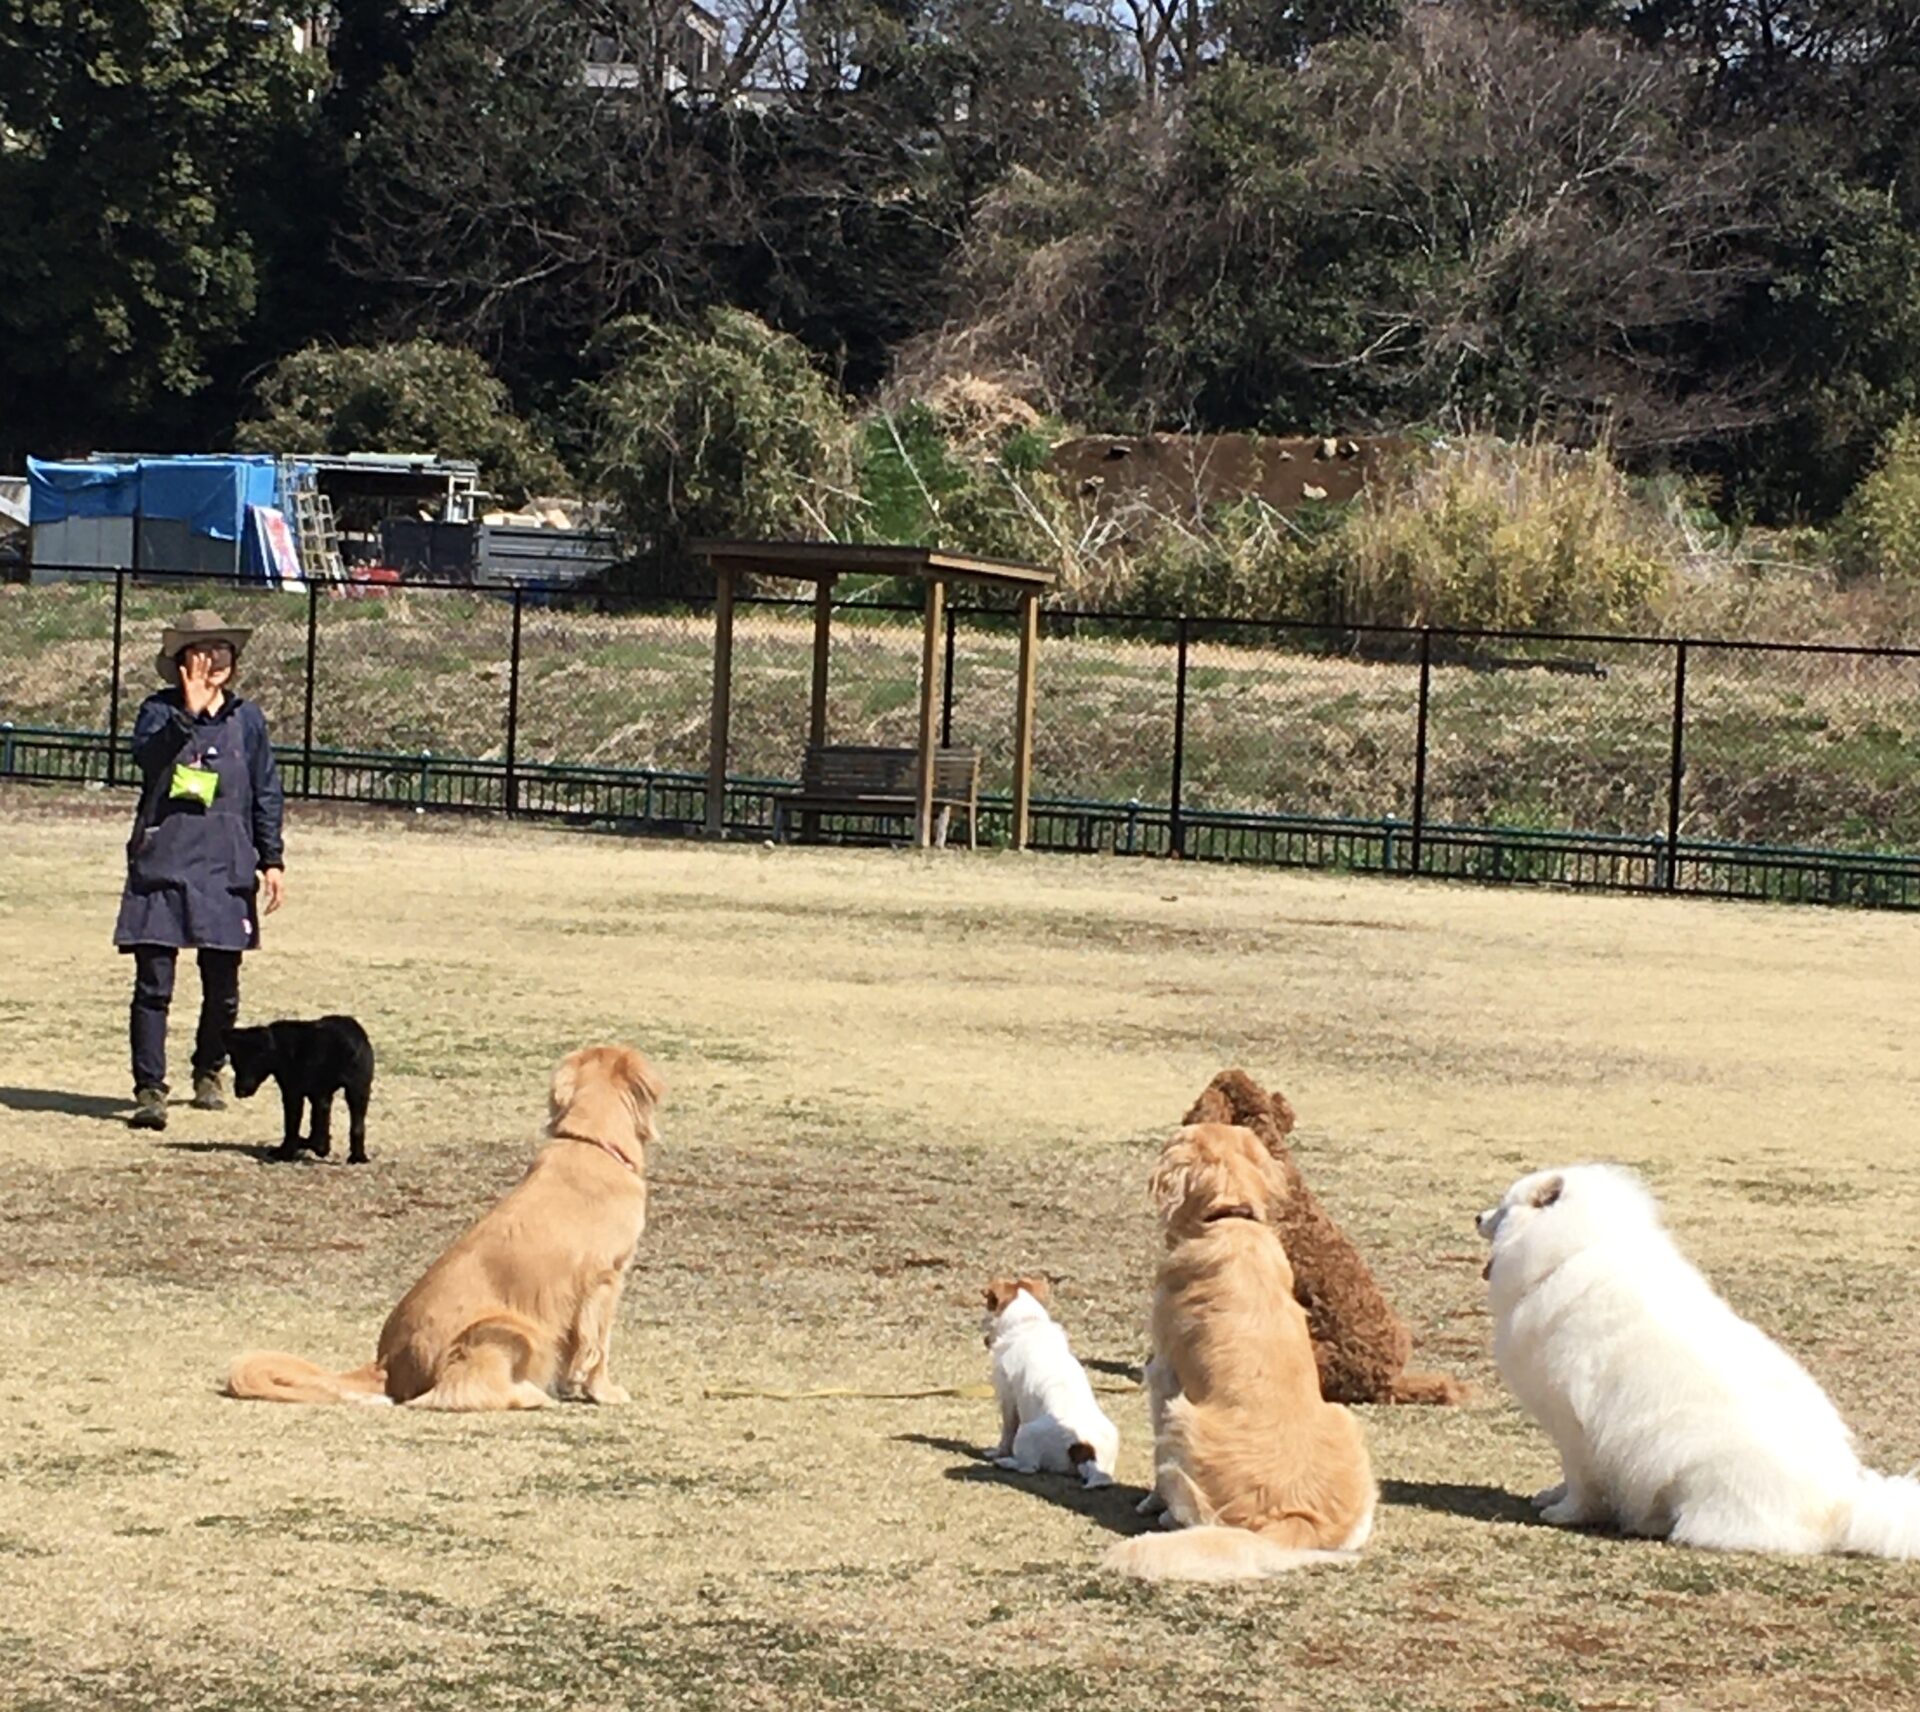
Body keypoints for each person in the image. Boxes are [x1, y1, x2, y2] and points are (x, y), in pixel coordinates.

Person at [114, 609, 287, 1130]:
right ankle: (150, 1088)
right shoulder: (157, 712)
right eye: (203, 649)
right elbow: (147, 761)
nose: (214, 659)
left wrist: (271, 858)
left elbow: (266, 789)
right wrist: (186, 714)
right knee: (153, 985)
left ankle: (210, 1070)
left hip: (225, 865)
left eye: (223, 650)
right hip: (163, 863)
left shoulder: (247, 720)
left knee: (223, 986)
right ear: (181, 660)